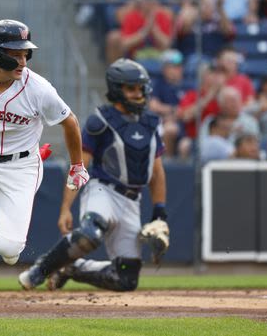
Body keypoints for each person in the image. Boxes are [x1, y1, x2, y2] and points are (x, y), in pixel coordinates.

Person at [0, 19, 89, 332]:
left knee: (8, 250)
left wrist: (77, 165)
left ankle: (40, 155)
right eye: (15, 53)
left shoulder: (38, 88)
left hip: (21, 167)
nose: (23, 61)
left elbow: (71, 122)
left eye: (26, 54)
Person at [17, 58, 169, 297]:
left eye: (141, 88)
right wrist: (66, 208)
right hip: (103, 190)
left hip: (132, 200)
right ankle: (42, 269)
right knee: (89, 234)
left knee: (126, 279)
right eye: (132, 88)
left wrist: (160, 211)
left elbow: (157, 171)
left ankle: (71, 268)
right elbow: (80, 165)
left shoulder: (151, 123)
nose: (138, 94)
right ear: (118, 90)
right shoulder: (100, 121)